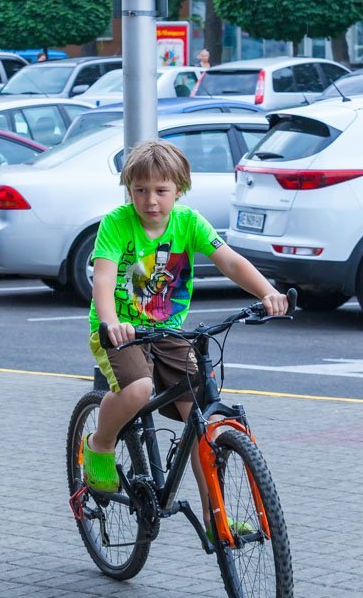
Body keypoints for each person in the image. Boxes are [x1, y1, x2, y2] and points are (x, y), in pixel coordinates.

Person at [81, 140, 287, 534]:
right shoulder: (117, 223)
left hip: (168, 332)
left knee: (202, 419)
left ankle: (217, 518)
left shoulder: (189, 222)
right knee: (139, 389)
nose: (151, 200)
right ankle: (100, 445)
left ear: (180, 189)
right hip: (120, 331)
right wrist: (110, 325)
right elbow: (104, 279)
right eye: (140, 190)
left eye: (161, 190)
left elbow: (230, 260)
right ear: (130, 191)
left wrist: (267, 293)